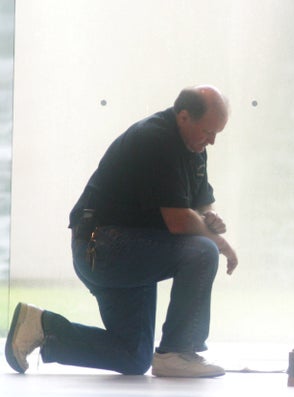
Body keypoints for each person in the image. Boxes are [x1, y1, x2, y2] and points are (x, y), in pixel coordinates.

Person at [5, 85, 238, 378]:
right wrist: (219, 242)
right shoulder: (156, 140)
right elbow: (179, 221)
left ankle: (41, 327)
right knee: (202, 251)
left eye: (217, 133)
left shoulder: (194, 145)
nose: (212, 141)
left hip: (133, 248)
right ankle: (178, 351)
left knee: (132, 356)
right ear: (183, 117)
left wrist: (208, 216)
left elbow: (202, 200)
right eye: (208, 132)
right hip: (104, 247)